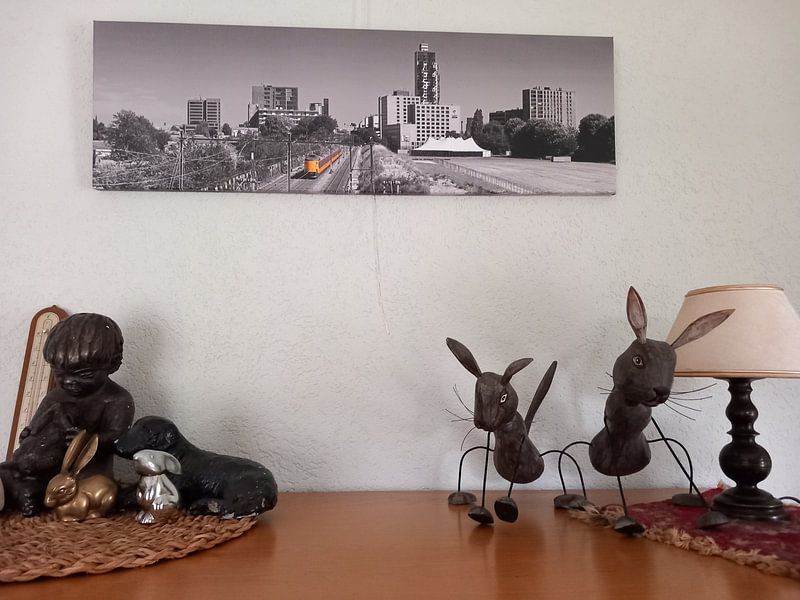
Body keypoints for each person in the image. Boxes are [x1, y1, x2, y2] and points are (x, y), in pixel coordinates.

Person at [0, 313, 134, 515]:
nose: (69, 381)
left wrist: (88, 440)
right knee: (12, 468)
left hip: (85, 479)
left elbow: (120, 440)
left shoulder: (117, 399)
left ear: (113, 364)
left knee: (59, 489)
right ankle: (18, 486)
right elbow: (38, 423)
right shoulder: (56, 396)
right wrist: (29, 432)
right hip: (44, 468)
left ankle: (26, 492)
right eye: (60, 374)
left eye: (84, 375)